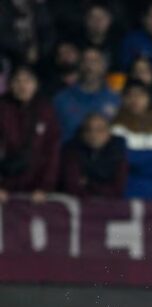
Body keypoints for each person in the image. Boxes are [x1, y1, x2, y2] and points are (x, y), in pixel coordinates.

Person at [0, 65, 60, 204]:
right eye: (17, 81)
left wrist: (45, 187)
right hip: (5, 184)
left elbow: (52, 151)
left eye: (27, 81)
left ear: (36, 84)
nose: (22, 86)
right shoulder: (2, 108)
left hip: (35, 189)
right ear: (10, 85)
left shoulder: (46, 111)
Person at [53, 47, 121, 141]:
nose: (90, 66)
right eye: (86, 61)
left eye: (95, 61)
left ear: (103, 66)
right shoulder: (61, 100)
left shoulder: (116, 99)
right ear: (79, 65)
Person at [60, 113, 129, 198]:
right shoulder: (71, 150)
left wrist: (88, 183)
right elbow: (73, 187)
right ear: (82, 133)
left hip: (109, 205)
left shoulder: (118, 151)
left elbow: (117, 190)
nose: (93, 135)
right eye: (88, 130)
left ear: (108, 133)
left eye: (99, 130)